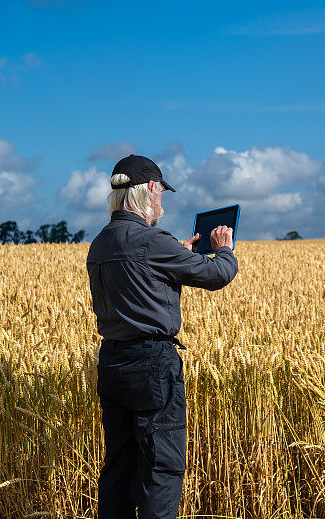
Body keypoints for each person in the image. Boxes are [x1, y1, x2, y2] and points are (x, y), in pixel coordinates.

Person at [87, 154, 239, 518]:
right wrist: (224, 249)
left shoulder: (100, 243)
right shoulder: (151, 240)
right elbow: (216, 275)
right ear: (150, 189)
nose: (163, 204)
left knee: (119, 468)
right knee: (161, 468)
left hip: (112, 363)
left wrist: (177, 254)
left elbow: (140, 273)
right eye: (161, 194)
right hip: (152, 366)